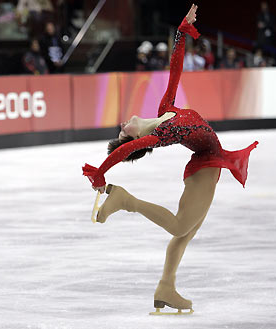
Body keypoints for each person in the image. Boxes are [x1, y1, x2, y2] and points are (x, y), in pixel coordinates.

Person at [82, 4, 258, 314]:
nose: (123, 124)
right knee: (180, 228)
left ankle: (166, 286)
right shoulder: (162, 134)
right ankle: (125, 200)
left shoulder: (167, 107)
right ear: (135, 139)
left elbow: (175, 68)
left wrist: (181, 32)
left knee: (186, 232)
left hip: (205, 163)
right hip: (206, 165)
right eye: (124, 131)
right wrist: (101, 171)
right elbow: (123, 151)